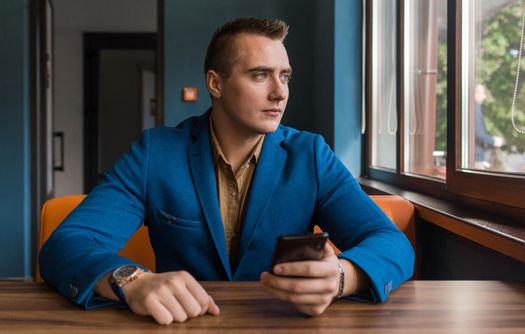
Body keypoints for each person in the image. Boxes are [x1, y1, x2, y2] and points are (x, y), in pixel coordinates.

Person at [39, 17, 414, 325]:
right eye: (259, 75)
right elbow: (65, 245)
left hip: (282, 326)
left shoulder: (310, 154)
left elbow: (392, 243)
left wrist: (342, 277)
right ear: (215, 83)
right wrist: (132, 281)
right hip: (183, 326)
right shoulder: (156, 152)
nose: (279, 92)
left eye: (284, 77)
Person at [474, 84, 504, 168]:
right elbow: (478, 134)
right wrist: (494, 141)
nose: (484, 97)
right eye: (482, 93)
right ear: (475, 94)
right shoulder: (474, 110)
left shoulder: (475, 109)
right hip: (475, 158)